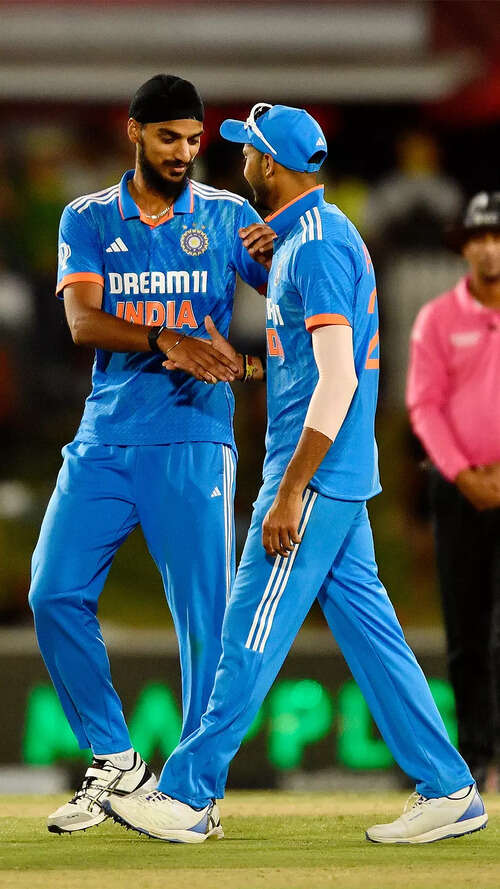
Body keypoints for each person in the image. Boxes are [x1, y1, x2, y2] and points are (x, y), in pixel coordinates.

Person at [105, 103, 486, 845]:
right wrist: (267, 274)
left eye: (250, 151)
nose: (242, 160)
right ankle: (449, 786)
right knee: (373, 635)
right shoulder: (313, 236)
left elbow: (338, 379)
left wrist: (288, 491)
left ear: (271, 166)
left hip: (311, 474)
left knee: (248, 628)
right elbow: (313, 358)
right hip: (331, 470)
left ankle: (188, 793)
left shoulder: (313, 248)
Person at [28, 74, 272, 834]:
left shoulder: (228, 215)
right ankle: (115, 759)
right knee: (53, 593)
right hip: (104, 436)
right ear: (134, 132)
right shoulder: (89, 217)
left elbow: (297, 295)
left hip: (194, 436)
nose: (183, 152)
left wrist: (259, 358)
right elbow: (82, 321)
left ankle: (195, 791)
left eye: (193, 139)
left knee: (203, 620)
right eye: (169, 137)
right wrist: (168, 338)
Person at [407, 192, 500, 792]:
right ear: (464, 247)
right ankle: (477, 760)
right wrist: (465, 474)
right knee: (465, 634)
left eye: (497, 237)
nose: (489, 249)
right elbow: (424, 405)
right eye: (479, 238)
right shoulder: (438, 319)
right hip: (456, 490)